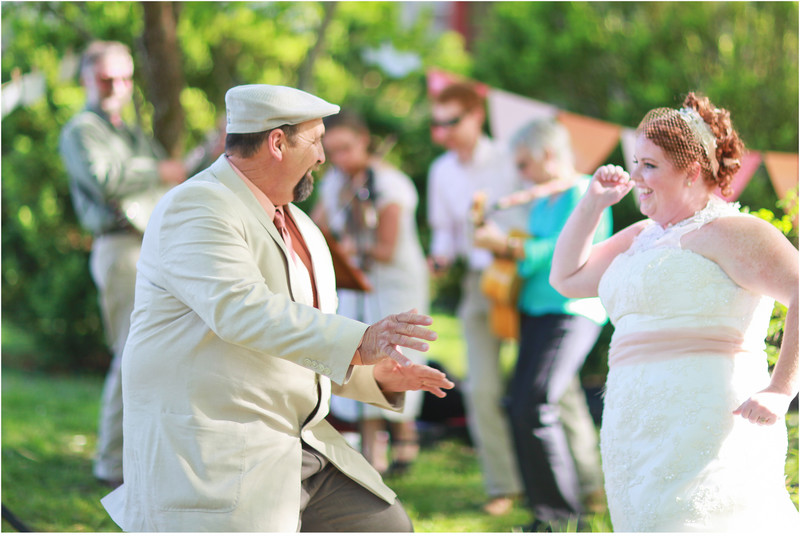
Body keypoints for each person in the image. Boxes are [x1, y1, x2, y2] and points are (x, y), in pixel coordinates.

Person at [99, 84, 453, 532]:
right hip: (217, 456)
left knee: (385, 528)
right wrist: (360, 341)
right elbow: (243, 312)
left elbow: (293, 339)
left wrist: (372, 373)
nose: (323, 157)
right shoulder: (196, 206)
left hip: (298, 445)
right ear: (277, 142)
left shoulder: (301, 223)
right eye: (316, 140)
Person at [550, 92, 799, 531]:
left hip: (706, 425)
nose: (636, 176)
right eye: (634, 163)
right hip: (631, 426)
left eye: (650, 165)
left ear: (691, 171)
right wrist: (592, 204)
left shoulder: (733, 231)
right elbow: (566, 278)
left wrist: (781, 389)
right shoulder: (642, 236)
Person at [58, 40, 188, 487]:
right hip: (118, 249)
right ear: (86, 79)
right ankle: (111, 463)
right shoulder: (81, 129)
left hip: (149, 248)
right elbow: (105, 179)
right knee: (130, 354)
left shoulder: (128, 130)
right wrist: (161, 170)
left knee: (153, 353)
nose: (116, 86)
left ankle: (139, 457)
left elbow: (162, 184)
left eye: (123, 78)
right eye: (105, 78)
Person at [473, 117, 611, 530]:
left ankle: (561, 518)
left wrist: (510, 246)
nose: (521, 174)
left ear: (547, 155)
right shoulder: (544, 198)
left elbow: (563, 251)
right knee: (521, 405)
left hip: (571, 312)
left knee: (535, 404)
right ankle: (547, 515)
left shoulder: (587, 189)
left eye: (523, 164)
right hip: (534, 311)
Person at [313, 111, 429, 476]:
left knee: (397, 354)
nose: (340, 159)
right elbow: (316, 226)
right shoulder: (336, 182)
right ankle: (370, 450)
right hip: (355, 281)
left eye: (347, 149)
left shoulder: (390, 184)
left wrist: (349, 243)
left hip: (393, 283)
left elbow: (386, 248)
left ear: (365, 140)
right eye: (333, 152)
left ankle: (405, 445)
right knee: (359, 354)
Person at [426, 82, 524, 514]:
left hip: (524, 276)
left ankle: (580, 481)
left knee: (546, 388)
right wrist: (440, 257)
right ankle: (502, 485)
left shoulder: (509, 157)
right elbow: (445, 231)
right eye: (438, 123)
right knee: (482, 389)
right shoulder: (440, 171)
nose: (444, 131)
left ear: (476, 116)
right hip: (478, 284)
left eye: (452, 121)